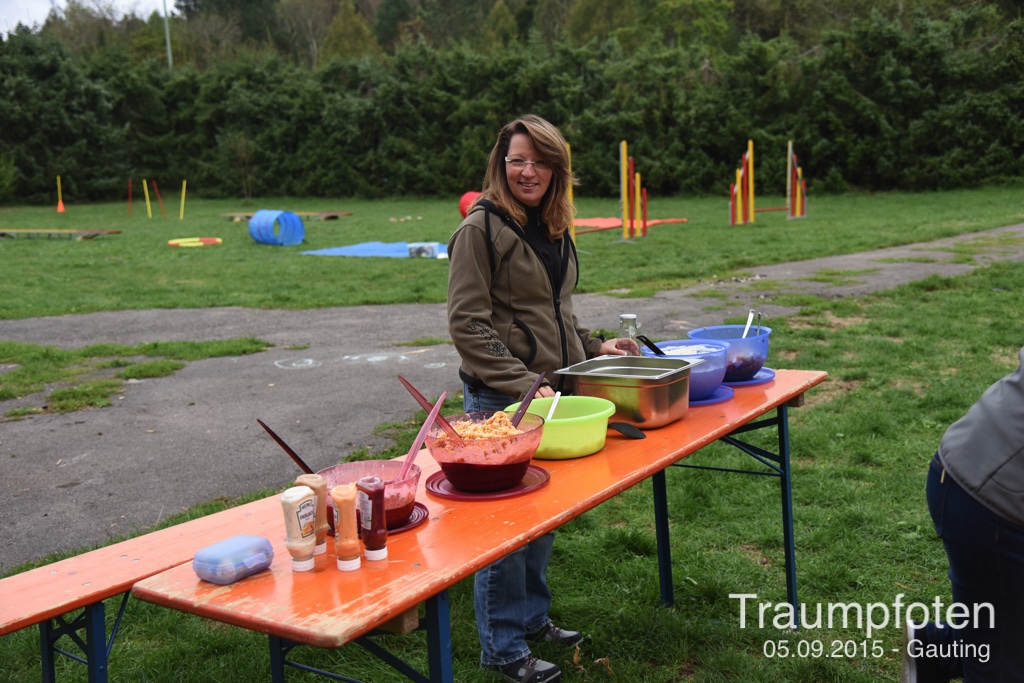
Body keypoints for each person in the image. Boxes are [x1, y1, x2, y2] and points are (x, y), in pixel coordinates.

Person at [446, 114, 638, 683]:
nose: (528, 171)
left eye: (540, 161)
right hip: (500, 402)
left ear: (557, 169)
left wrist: (597, 345)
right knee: (506, 528)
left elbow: (556, 316)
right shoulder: (480, 229)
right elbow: (468, 324)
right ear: (500, 166)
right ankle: (502, 648)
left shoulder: (551, 226)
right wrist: (523, 382)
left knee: (540, 517)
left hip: (549, 394)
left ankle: (530, 619)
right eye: (517, 161)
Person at [902, 345, 1024, 683]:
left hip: (986, 474)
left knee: (1005, 635)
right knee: (1002, 667)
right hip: (991, 500)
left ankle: (936, 647)